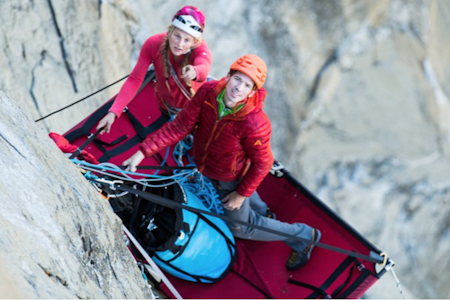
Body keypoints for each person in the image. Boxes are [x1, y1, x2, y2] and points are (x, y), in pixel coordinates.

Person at [123, 54, 321, 270]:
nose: (239, 88)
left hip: (229, 177)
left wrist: (241, 194)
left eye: (247, 85)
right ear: (228, 76)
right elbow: (179, 127)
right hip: (211, 166)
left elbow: (264, 163)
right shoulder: (208, 92)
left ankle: (303, 237)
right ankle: (263, 213)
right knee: (250, 205)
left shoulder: (254, 123)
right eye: (238, 79)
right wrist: (142, 152)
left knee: (242, 228)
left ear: (253, 92)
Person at [97, 5, 212, 134]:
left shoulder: (200, 50)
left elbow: (204, 65)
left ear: (195, 43)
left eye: (187, 40)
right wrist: (113, 112)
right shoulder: (153, 44)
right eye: (177, 36)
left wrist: (195, 71)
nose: (180, 44)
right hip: (163, 107)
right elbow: (135, 80)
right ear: (170, 31)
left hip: (190, 116)